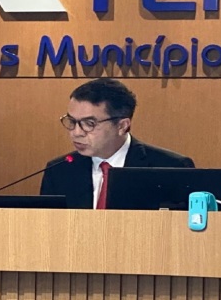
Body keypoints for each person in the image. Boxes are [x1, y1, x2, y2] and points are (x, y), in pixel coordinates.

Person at [40, 78, 195, 209]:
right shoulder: (59, 171)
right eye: (72, 121)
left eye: (89, 123)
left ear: (122, 126)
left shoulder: (170, 168)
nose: (76, 132)